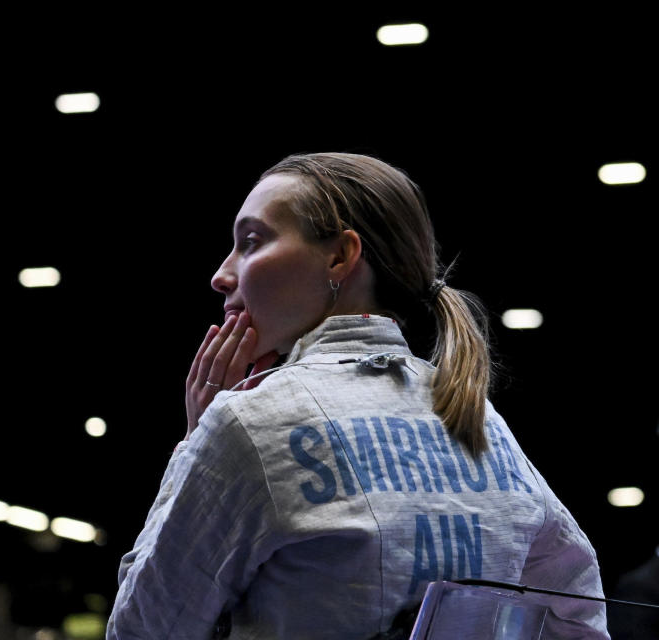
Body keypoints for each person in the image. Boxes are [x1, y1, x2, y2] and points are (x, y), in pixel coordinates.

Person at [106, 152, 609, 639]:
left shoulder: (247, 421)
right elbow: (578, 615)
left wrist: (195, 442)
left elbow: (144, 627)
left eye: (252, 241)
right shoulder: (479, 419)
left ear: (341, 255)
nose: (222, 274)